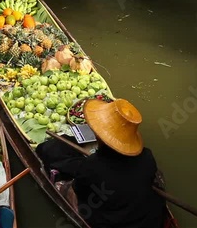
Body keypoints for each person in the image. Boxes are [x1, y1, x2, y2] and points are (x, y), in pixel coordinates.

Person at [36, 98, 166, 228]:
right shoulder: (147, 156)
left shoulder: (94, 166)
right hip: (149, 219)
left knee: (69, 189)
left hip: (113, 221)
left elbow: (79, 191)